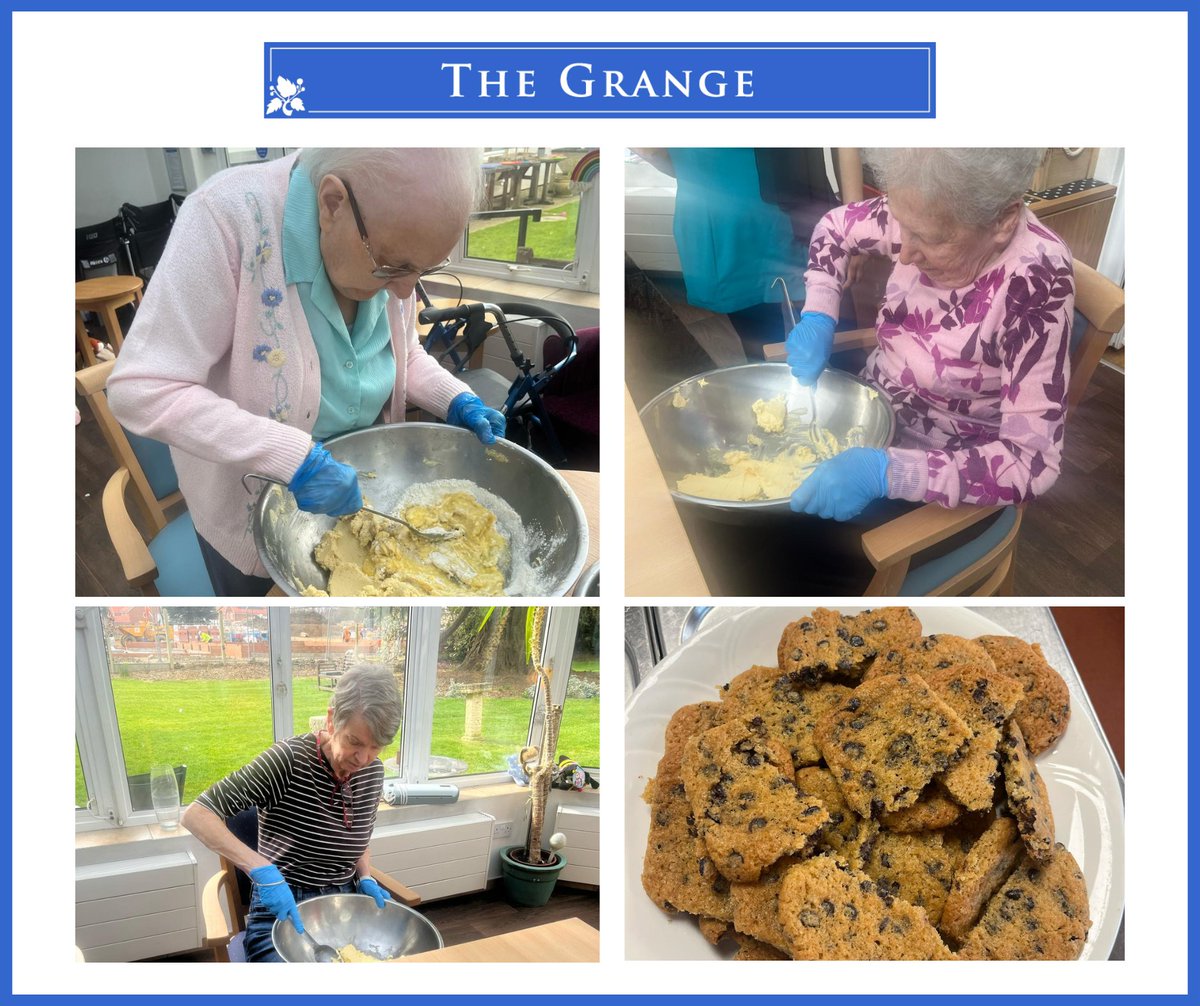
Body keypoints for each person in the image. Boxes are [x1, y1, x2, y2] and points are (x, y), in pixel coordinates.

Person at [107, 148, 505, 595]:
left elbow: (402, 356)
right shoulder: (224, 221)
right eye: (394, 267)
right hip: (250, 525)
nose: (406, 291)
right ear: (332, 204)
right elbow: (142, 388)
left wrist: (454, 397)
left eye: (423, 269)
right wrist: (294, 458)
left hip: (367, 493)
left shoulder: (388, 240)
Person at [787, 148, 1074, 522]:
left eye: (930, 239)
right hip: (870, 420)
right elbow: (834, 228)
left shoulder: (1036, 282)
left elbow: (1032, 463)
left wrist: (891, 474)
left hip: (947, 482)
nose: (904, 253)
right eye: (900, 224)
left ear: (1003, 220)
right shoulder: (924, 206)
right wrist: (819, 312)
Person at [180, 664, 400, 963]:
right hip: (284, 908)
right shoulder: (288, 761)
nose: (363, 758)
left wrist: (365, 876)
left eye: (376, 747)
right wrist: (259, 868)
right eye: (355, 742)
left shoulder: (372, 771)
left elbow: (356, 835)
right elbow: (197, 814)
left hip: (345, 906)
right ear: (332, 720)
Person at [632, 148, 863, 359]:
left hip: (747, 217)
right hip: (770, 213)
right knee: (829, 339)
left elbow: (655, 152)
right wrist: (855, 223)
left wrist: (855, 224)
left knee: (779, 342)